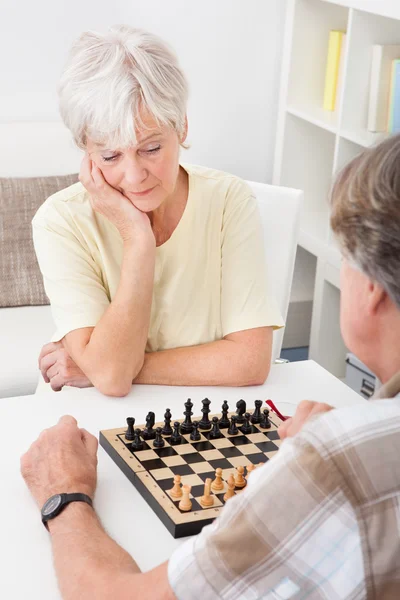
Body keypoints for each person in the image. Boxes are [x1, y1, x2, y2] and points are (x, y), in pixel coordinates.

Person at [22, 134, 400, 598]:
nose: (134, 173)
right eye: (111, 155)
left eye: (344, 259)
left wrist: (65, 496)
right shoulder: (345, 446)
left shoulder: (336, 459)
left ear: (372, 291)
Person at [33, 25, 283, 396]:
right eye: (110, 156)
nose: (134, 176)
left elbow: (249, 362)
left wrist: (96, 363)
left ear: (181, 126)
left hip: (207, 410)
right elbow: (114, 383)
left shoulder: (228, 200)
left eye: (151, 148)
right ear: (85, 149)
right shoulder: (60, 221)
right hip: (99, 413)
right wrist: (137, 238)